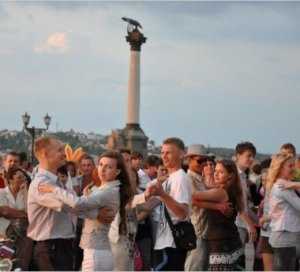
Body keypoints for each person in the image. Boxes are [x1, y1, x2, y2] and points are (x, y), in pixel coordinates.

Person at [38, 151, 136, 271]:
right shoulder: (103, 189)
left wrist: (54, 189)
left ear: (117, 172)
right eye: (101, 164)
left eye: (108, 167)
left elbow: (78, 204)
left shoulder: (108, 191)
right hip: (98, 249)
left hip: (97, 251)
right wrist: (95, 213)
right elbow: (79, 207)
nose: (103, 169)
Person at [26, 136, 76, 271]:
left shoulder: (55, 181)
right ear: (45, 154)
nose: (64, 153)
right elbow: (70, 205)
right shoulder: (42, 183)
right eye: (59, 150)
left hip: (60, 246)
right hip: (51, 247)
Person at [184, 145, 232, 271]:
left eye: (206, 160)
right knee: (195, 267)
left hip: (205, 230)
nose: (204, 164)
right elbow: (193, 200)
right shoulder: (188, 179)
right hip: (197, 231)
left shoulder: (200, 179)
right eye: (200, 161)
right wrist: (218, 206)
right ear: (189, 160)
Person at [192, 159, 245, 270]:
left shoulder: (221, 192)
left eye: (221, 172)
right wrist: (216, 206)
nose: (215, 174)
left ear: (230, 175)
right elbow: (204, 192)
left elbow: (192, 196)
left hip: (221, 244)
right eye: (215, 171)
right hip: (231, 241)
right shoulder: (232, 190)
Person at [151, 137, 192, 271]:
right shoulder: (171, 177)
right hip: (166, 242)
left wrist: (163, 195)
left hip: (172, 243)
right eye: (162, 152)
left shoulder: (180, 178)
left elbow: (182, 213)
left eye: (168, 152)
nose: (164, 156)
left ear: (181, 154)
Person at [267, 153, 300, 270]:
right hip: (285, 240)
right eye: (290, 166)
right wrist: (295, 184)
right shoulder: (282, 186)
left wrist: (294, 184)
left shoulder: (286, 185)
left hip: (286, 239)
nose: (293, 169)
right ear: (280, 168)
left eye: (293, 166)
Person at [234, 142, 258, 269]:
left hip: (241, 224)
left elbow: (244, 204)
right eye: (248, 156)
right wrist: (250, 224)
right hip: (237, 225)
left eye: (253, 156)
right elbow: (238, 205)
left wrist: (257, 220)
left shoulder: (243, 176)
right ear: (238, 155)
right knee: (236, 262)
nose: (251, 159)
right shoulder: (235, 175)